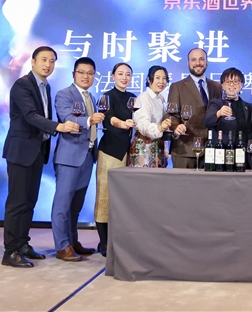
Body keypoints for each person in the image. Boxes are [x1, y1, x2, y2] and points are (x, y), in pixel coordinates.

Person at [1, 46, 79, 268]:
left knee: (29, 201)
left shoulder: (45, 86)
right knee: (17, 202)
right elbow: (30, 115)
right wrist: (58, 127)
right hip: (21, 151)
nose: (48, 64)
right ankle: (10, 251)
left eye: (52, 61)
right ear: (33, 62)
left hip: (37, 151)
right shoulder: (22, 85)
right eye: (44, 59)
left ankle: (22, 244)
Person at [52, 57, 105, 262]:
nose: (86, 76)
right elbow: (67, 118)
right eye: (81, 72)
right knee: (62, 203)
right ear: (73, 74)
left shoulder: (91, 97)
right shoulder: (64, 94)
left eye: (90, 73)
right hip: (69, 156)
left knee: (76, 205)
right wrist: (89, 120)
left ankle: (72, 241)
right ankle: (61, 246)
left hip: (87, 156)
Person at [94, 63, 136, 257]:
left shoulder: (133, 98)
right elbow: (108, 118)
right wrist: (122, 124)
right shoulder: (106, 96)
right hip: (110, 151)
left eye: (128, 74)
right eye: (120, 74)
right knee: (104, 197)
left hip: (128, 153)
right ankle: (103, 242)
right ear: (112, 76)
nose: (124, 77)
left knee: (122, 200)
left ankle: (117, 239)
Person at [168, 48, 222, 168]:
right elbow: (171, 115)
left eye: (201, 59)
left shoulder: (217, 87)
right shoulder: (177, 87)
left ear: (207, 62)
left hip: (211, 150)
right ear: (188, 63)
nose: (198, 63)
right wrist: (176, 127)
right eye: (193, 60)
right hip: (185, 149)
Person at [128, 65, 173, 168]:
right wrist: (160, 128)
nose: (161, 82)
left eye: (164, 78)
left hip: (158, 146)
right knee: (144, 177)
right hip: (144, 147)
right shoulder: (143, 98)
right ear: (149, 79)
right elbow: (143, 126)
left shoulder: (161, 98)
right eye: (157, 78)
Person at [203, 67, 252, 145]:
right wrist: (218, 113)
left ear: (242, 84)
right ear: (222, 85)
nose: (231, 84)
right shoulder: (216, 103)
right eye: (228, 82)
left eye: (235, 81)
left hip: (242, 149)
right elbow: (207, 122)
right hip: (222, 148)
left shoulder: (248, 107)